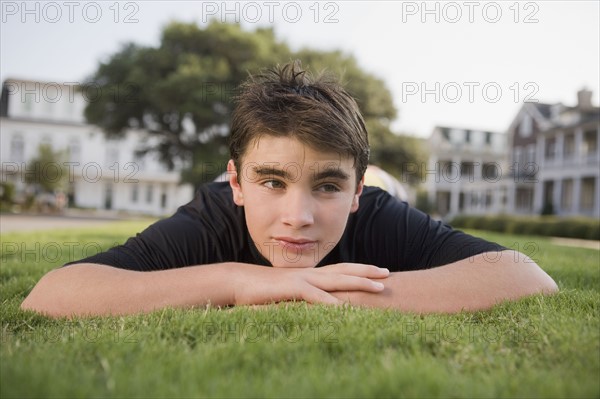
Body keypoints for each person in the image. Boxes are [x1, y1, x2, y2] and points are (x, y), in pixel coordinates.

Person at [21, 61, 558, 318]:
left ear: (354, 192)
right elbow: (53, 294)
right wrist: (237, 280)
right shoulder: (210, 218)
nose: (296, 216)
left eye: (326, 185)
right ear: (236, 182)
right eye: (271, 181)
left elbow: (523, 274)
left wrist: (320, 291)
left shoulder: (376, 211)